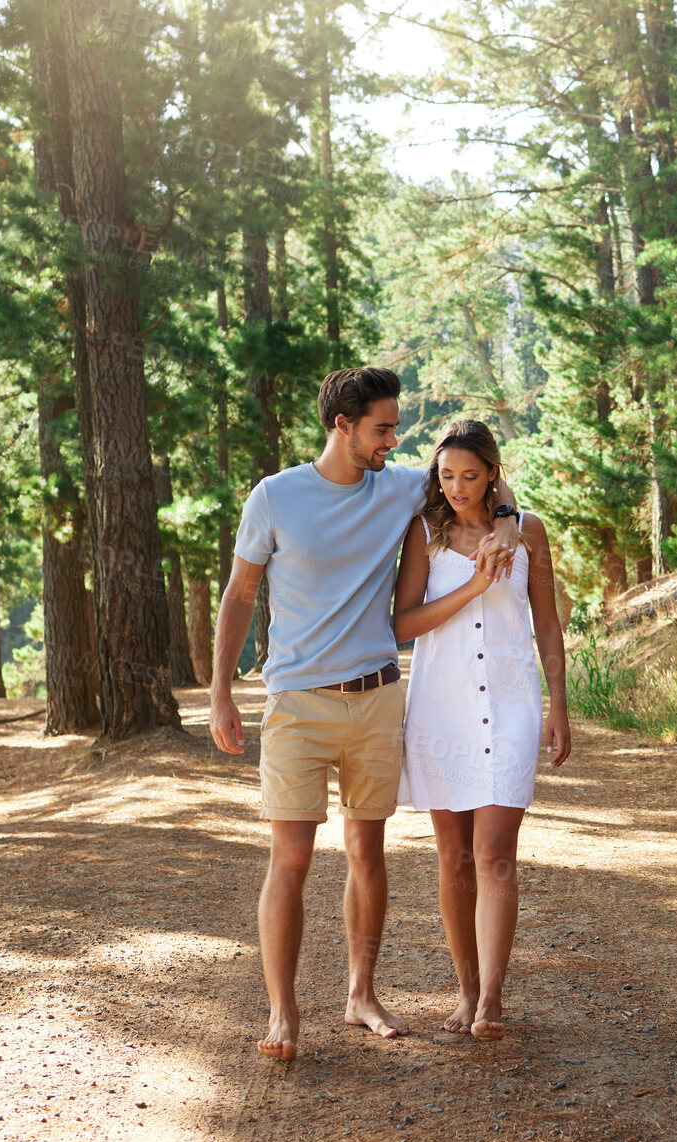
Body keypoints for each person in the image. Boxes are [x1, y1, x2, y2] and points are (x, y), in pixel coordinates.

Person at [209, 367, 522, 1061]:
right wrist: (221, 691)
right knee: (289, 858)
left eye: (395, 426)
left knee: (366, 851)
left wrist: (502, 530)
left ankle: (360, 993)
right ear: (341, 425)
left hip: (378, 696)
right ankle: (282, 1011)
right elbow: (238, 595)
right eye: (382, 427)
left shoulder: (401, 484)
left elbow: (478, 482)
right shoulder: (275, 497)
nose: (394, 439)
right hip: (296, 703)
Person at [393, 419, 572, 1041]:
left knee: (495, 854)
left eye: (471, 475)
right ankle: (465, 990)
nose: (458, 488)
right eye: (447, 476)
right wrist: (473, 585)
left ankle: (493, 997)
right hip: (442, 708)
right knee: (454, 855)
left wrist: (560, 705)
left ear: (493, 472)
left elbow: (546, 625)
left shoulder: (528, 534)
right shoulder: (422, 534)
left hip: (513, 700)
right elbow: (403, 625)